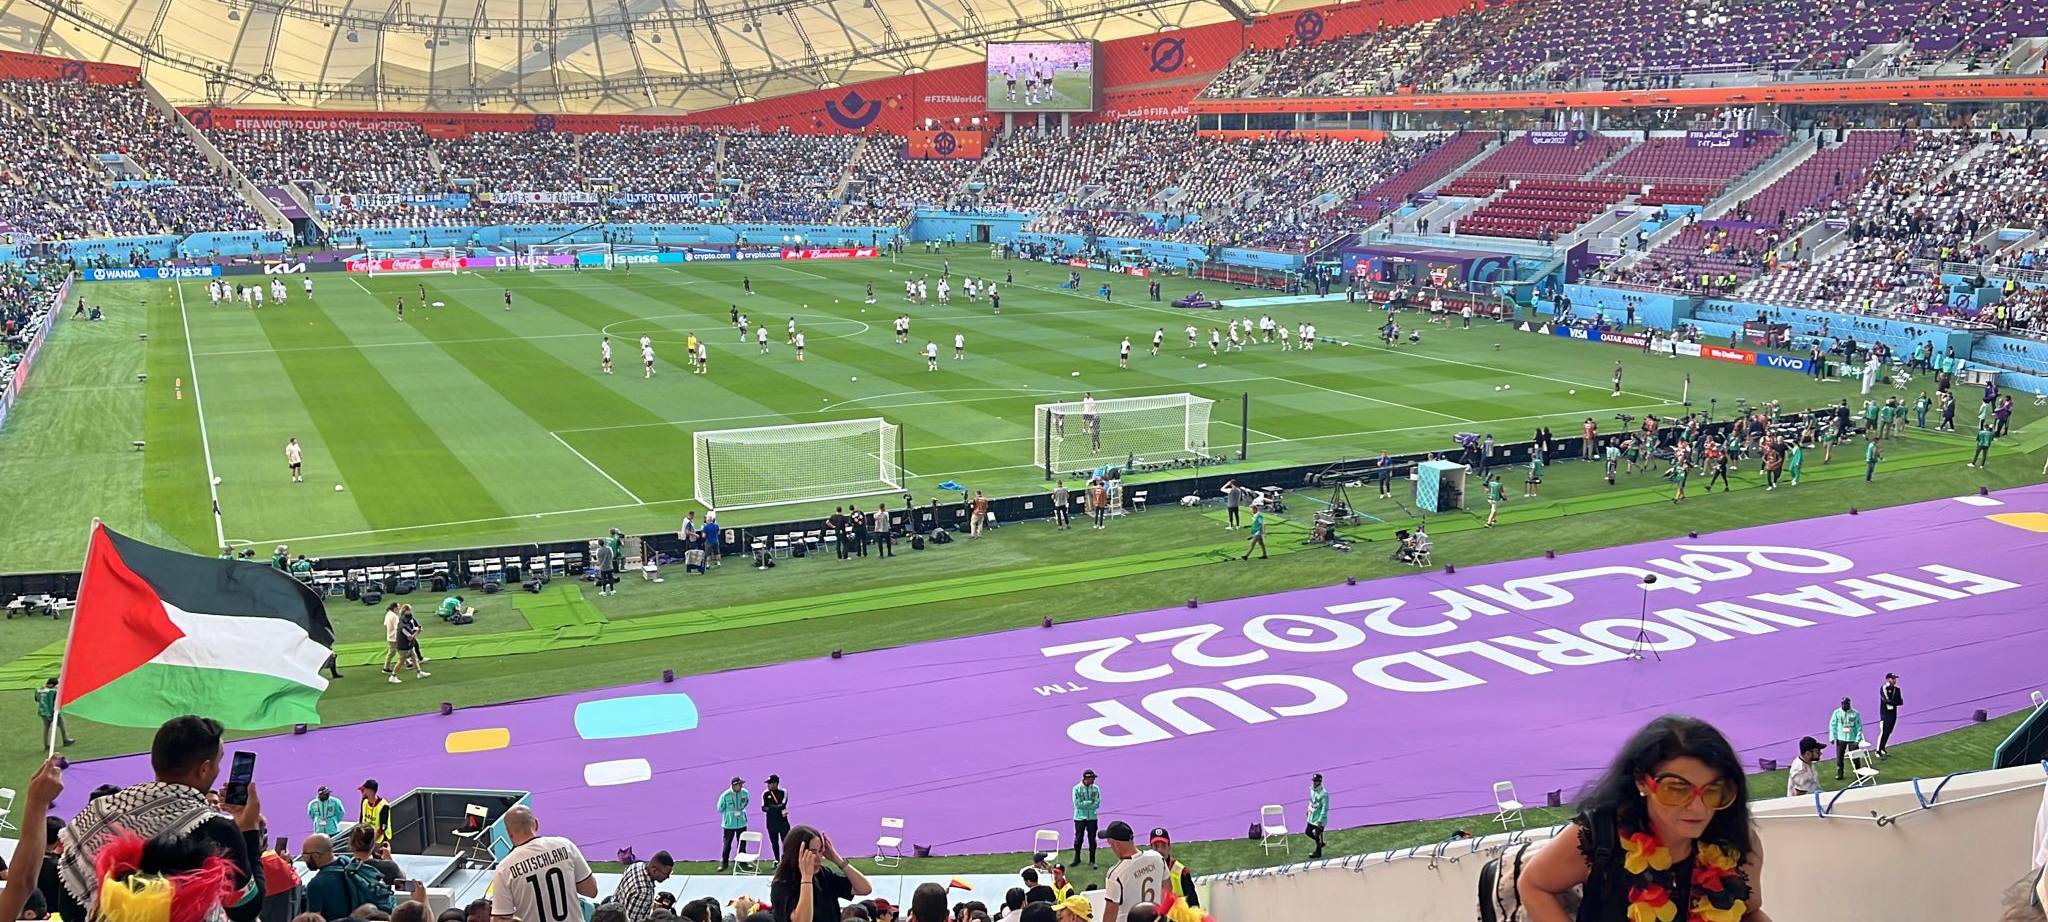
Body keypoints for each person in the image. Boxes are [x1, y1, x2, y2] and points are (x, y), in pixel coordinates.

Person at [1514, 715, 1768, 922]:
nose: (1698, 808)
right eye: (1677, 789)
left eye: (1713, 791)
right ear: (1641, 782)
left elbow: (1749, 911)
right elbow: (1534, 884)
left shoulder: (1736, 839)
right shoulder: (1601, 834)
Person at [53, 716, 267, 922]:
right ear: (204, 769)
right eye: (217, 763)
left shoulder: (100, 811)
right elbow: (245, 910)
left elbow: (70, 909)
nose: (219, 770)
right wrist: (247, 830)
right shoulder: (218, 830)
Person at [489, 806, 597, 922]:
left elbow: (501, 918)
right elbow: (591, 890)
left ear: (509, 833)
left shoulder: (504, 868)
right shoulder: (565, 845)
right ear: (536, 823)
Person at [769, 825, 872, 922]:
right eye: (813, 852)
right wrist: (806, 878)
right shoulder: (782, 884)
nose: (819, 858)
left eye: (820, 851)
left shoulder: (823, 874)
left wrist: (837, 860)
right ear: (797, 853)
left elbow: (864, 889)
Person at [1100, 822, 1164, 922]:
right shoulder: (1157, 858)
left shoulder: (1116, 874)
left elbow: (1110, 915)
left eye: (1110, 843)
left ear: (1116, 844)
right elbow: (1168, 889)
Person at [613, 850, 673, 922]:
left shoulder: (636, 865)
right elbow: (632, 920)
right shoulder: (644, 892)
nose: (668, 877)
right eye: (666, 874)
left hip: (613, 912)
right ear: (654, 870)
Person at [1146, 829, 1196, 909]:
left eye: (1163, 845)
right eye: (1156, 846)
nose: (1160, 850)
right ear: (1151, 848)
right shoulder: (1144, 870)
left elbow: (1194, 906)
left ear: (1169, 847)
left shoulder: (1182, 872)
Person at [719, 776, 751, 871]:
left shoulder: (745, 793)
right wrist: (731, 813)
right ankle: (724, 863)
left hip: (741, 822)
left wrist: (741, 811)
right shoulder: (725, 795)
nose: (741, 786)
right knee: (727, 844)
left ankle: (743, 863)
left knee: (742, 844)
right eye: (739, 784)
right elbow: (720, 808)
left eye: (741, 784)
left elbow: (746, 802)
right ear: (734, 785)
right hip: (729, 824)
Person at [1829, 697, 1865, 780]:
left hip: (1852, 739)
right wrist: (1832, 737)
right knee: (1839, 757)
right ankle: (1840, 773)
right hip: (1840, 738)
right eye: (1843, 704)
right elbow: (1832, 725)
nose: (1844, 705)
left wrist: (1858, 739)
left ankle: (1859, 772)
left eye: (1846, 704)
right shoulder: (1837, 713)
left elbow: (1859, 727)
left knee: (1855, 756)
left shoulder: (1855, 713)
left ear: (1849, 704)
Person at [1071, 770, 1101, 868]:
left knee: (1092, 839)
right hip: (1079, 818)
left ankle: (1092, 860)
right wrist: (1089, 803)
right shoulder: (1076, 789)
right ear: (1086, 778)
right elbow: (1077, 804)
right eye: (1092, 778)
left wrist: (1085, 803)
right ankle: (1077, 858)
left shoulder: (1096, 789)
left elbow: (1097, 804)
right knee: (1079, 838)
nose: (1093, 780)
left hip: (1092, 817)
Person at [34, 677, 72, 746]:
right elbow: (56, 702)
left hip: (43, 712)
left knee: (46, 728)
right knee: (62, 724)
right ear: (51, 684)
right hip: (53, 712)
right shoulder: (54, 691)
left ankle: (46, 744)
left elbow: (36, 699)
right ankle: (65, 740)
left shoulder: (38, 689)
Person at [763, 775, 791, 861]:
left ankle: (786, 859)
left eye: (770, 783)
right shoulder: (766, 794)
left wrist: (771, 808)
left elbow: (782, 805)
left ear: (776, 783)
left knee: (786, 842)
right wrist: (775, 808)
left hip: (783, 823)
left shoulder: (783, 792)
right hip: (771, 823)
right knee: (774, 843)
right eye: (768, 783)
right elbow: (764, 808)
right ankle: (777, 860)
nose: (768, 785)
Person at [1877, 673, 1904, 757]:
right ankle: (1878, 750)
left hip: (1893, 713)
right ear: (1888, 679)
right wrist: (1894, 702)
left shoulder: (1897, 689)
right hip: (1885, 714)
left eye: (1895, 679)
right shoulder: (1884, 688)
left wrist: (1893, 702)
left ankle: (1883, 747)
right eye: (1893, 679)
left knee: (1889, 731)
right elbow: (1885, 700)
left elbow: (1900, 701)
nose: (1895, 680)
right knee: (1883, 731)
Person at [359, 779, 392, 846]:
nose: (361, 792)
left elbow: (382, 828)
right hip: (367, 839)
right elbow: (361, 820)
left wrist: (370, 843)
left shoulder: (384, 805)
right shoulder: (364, 801)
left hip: (380, 841)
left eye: (363, 790)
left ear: (370, 791)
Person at [1306, 773, 1330, 859]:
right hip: (1312, 816)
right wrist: (1308, 808)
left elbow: (1324, 808)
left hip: (1319, 819)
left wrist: (1320, 820)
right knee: (1308, 832)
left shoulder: (1324, 794)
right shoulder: (1311, 789)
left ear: (1319, 782)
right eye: (1313, 781)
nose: (1314, 782)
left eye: (1316, 781)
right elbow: (1311, 800)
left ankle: (1318, 852)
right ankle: (1320, 843)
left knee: (1317, 835)